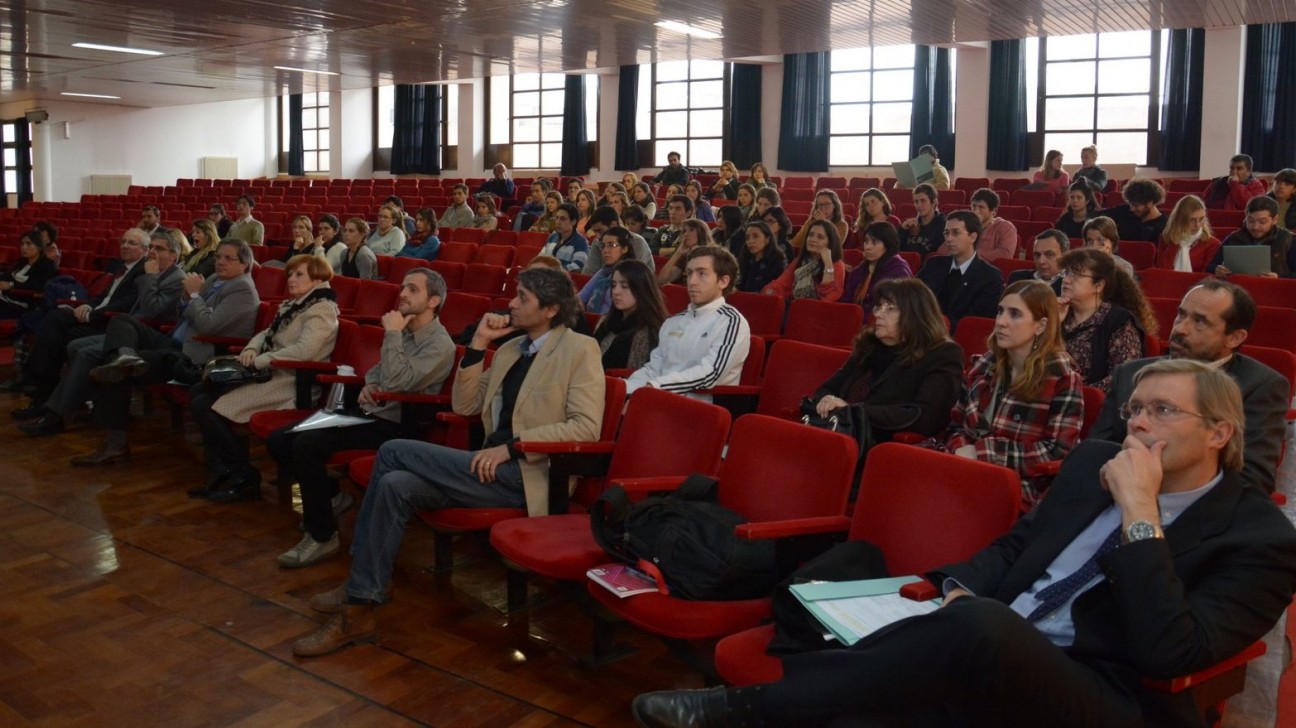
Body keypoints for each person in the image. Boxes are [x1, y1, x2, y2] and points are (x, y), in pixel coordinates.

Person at [633, 361, 1296, 728]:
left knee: (981, 626)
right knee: (854, 648)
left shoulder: (1259, 538)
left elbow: (1168, 650)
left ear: (1219, 434)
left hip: (1105, 691)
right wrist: (949, 587)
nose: (1139, 423)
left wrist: (1140, 514)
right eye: (1136, 407)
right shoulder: (1093, 463)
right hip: (986, 649)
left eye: (1163, 411)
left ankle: (744, 709)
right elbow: (1019, 549)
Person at [290, 267, 604, 657]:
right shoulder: (509, 350)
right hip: (485, 469)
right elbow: (466, 405)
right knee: (393, 484)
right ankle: (362, 599)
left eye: (523, 297)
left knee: (392, 452)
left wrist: (512, 448)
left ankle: (362, 586)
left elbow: (586, 427)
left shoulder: (579, 349)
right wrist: (479, 344)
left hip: (529, 473)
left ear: (552, 309)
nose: (511, 303)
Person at [269, 268, 455, 568]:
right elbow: (377, 372)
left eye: (413, 289)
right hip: (366, 413)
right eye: (403, 287)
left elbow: (396, 382)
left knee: (307, 444)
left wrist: (392, 334)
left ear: (433, 301)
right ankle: (330, 498)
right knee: (281, 439)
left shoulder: (439, 344)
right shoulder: (405, 330)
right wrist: (370, 384)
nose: (403, 293)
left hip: (394, 427)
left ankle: (322, 536)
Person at [66, 239, 260, 463]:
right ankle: (124, 356)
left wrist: (194, 296)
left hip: (194, 357)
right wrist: (187, 298)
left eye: (228, 258)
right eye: (217, 257)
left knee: (119, 372)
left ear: (245, 264)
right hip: (175, 342)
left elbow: (208, 326)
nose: (220, 262)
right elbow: (185, 314)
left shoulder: (243, 289)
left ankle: (114, 445)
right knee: (122, 322)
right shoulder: (216, 280)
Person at [1091, 280, 1289, 493]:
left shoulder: (1258, 385)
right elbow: (1097, 451)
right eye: (1181, 314)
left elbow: (1252, 479)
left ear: (1234, 338)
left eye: (1200, 322)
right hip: (1115, 493)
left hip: (1199, 512)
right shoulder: (1129, 374)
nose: (1181, 328)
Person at [189, 255, 340, 503]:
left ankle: (243, 476)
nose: (291, 278)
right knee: (200, 392)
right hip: (274, 375)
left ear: (318, 278)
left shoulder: (321, 308)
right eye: (290, 274)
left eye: (299, 274)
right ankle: (226, 472)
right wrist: (250, 349)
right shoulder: (296, 304)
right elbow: (266, 333)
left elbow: (305, 351)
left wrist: (262, 359)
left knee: (206, 406)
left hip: (292, 384)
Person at [11, 229, 171, 427]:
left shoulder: (142, 271)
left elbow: (125, 304)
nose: (125, 246)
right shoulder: (122, 268)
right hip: (99, 315)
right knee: (56, 321)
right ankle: (42, 392)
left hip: (109, 323)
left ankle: (37, 385)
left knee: (58, 330)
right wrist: (87, 305)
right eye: (123, 241)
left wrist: (91, 314)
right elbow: (104, 296)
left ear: (144, 250)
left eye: (132, 243)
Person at [936, 280, 1084, 484]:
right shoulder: (983, 365)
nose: (1000, 321)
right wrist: (960, 448)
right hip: (962, 467)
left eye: (1014, 314)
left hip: (1015, 483)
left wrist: (983, 453)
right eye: (1000, 311)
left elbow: (1057, 451)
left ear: (1040, 326)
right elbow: (955, 424)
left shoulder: (1062, 377)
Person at [812, 278, 962, 448]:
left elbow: (927, 417)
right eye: (879, 306)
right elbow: (827, 389)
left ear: (915, 315)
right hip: (839, 432)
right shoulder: (869, 345)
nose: (877, 314)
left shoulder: (942, 354)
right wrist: (827, 400)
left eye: (890, 308)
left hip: (883, 445)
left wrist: (853, 411)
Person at [628, 246, 751, 399]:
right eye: (689, 273)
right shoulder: (673, 322)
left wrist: (656, 387)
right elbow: (654, 368)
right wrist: (626, 388)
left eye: (702, 274)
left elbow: (710, 374)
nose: (692, 282)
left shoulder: (731, 322)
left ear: (723, 281)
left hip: (698, 408)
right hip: (658, 398)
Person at [1058, 248, 1156, 391]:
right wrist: (1053, 324)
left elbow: (1122, 377)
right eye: (1066, 273)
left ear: (1098, 286)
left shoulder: (1119, 322)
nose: (1066, 280)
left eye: (1076, 275)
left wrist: (1079, 394)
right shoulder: (1057, 312)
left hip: (1093, 403)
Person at [916, 210, 1004, 328]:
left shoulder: (990, 276)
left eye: (955, 233)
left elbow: (974, 321)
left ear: (972, 237)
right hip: (921, 331)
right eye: (946, 233)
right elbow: (914, 296)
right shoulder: (934, 264)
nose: (949, 239)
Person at [592, 260, 666, 371]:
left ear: (641, 289)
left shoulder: (647, 332)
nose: (616, 291)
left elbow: (633, 374)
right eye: (613, 285)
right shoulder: (608, 321)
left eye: (624, 286)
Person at [1207, 195, 1296, 278]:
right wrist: (1217, 269)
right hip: (1237, 289)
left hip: (1275, 290)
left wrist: (1279, 277)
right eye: (1250, 221)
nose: (1255, 227)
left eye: (1262, 222)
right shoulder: (1234, 238)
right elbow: (1211, 266)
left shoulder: (1288, 240)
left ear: (1275, 220)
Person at [762, 218, 845, 303]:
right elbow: (781, 284)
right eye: (811, 235)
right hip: (794, 307)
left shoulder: (836, 265)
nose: (813, 239)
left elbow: (829, 296)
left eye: (820, 237)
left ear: (830, 243)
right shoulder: (800, 261)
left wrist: (828, 264)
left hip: (818, 311)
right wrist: (770, 291)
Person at [840, 222, 911, 310]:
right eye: (866, 241)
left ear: (888, 245)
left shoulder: (898, 271)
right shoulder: (860, 270)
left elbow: (893, 310)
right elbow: (845, 302)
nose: (868, 247)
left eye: (875, 242)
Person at [1153, 195, 1219, 272]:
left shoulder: (1212, 244)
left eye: (1201, 219)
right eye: (1192, 220)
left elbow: (1206, 276)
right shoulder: (1166, 238)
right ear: (1181, 220)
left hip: (1197, 283)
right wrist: (1174, 243)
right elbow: (1162, 271)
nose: (1198, 225)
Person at [0, 231, 58, 319]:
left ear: (39, 246)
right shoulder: (22, 262)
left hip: (21, 305)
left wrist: (11, 285)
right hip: (4, 298)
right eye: (22, 244)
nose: (23, 247)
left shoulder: (47, 265)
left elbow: (39, 287)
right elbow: (6, 277)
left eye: (28, 244)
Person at [579, 227, 637, 315]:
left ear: (625, 248)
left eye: (611, 245)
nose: (605, 250)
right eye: (603, 246)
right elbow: (580, 298)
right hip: (593, 322)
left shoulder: (633, 275)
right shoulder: (603, 273)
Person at [581, 206, 653, 275]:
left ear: (613, 225)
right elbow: (588, 274)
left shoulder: (636, 242)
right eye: (595, 232)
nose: (597, 236)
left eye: (600, 231)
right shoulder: (598, 242)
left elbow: (632, 277)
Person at [1098, 178, 1167, 242]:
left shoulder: (1164, 226)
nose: (1132, 209)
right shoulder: (1124, 210)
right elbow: (1096, 216)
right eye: (1130, 204)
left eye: (1136, 205)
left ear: (1150, 202)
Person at [1007, 229, 1067, 295]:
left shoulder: (1072, 285)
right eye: (1037, 255)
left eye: (1049, 254)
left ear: (1065, 256)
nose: (1041, 261)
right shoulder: (1017, 279)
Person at [656, 219, 713, 286]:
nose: (686, 234)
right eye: (684, 231)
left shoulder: (712, 256)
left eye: (691, 230)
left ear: (702, 233)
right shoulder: (684, 256)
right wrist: (678, 253)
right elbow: (661, 280)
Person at [736, 220, 787, 294]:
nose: (750, 241)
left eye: (755, 236)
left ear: (767, 240)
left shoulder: (777, 262)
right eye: (747, 238)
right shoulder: (745, 259)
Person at [1203, 153, 1267, 211]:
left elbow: (1251, 207)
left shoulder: (1256, 186)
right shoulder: (1217, 183)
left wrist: (1235, 184)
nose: (1234, 171)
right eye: (1232, 168)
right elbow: (1204, 203)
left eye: (1239, 169)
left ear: (1249, 171)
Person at [968, 188, 1018, 261]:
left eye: (981, 207)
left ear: (994, 211)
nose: (975, 211)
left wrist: (969, 257)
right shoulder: (965, 224)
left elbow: (1005, 254)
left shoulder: (1006, 227)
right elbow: (946, 250)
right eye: (974, 206)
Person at [791, 190, 848, 254]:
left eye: (826, 204)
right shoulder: (811, 221)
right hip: (805, 255)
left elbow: (834, 247)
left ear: (834, 205)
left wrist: (824, 222)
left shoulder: (842, 225)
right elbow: (797, 241)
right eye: (820, 205)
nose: (823, 208)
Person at [539, 202, 589, 273]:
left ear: (573, 222)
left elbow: (578, 265)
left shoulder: (581, 242)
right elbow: (540, 258)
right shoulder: (552, 237)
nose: (558, 222)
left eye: (563, 219)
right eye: (557, 218)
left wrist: (555, 271)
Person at [899, 183, 946, 257]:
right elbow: (897, 250)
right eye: (916, 202)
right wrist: (902, 230)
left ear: (933, 202)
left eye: (923, 201)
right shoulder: (910, 225)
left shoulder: (943, 225)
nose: (918, 205)